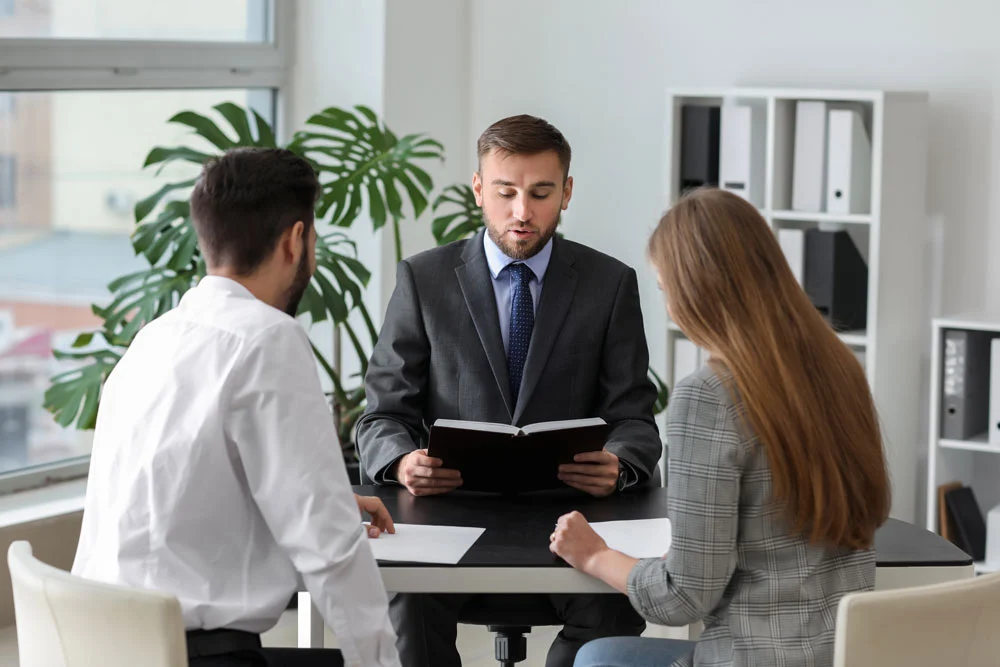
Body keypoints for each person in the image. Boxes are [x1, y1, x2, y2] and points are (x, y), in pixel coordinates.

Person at [73, 148, 402, 667]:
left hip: (102, 646)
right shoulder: (269, 338)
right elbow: (330, 549)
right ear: (296, 241)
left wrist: (326, 500)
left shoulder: (154, 338)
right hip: (196, 655)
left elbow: (174, 496)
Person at [356, 114, 662, 667]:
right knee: (404, 605)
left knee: (617, 607)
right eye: (506, 192)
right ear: (479, 190)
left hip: (571, 525)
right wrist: (402, 463)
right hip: (447, 522)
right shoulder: (423, 280)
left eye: (541, 193)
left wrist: (619, 462)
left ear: (566, 193)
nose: (523, 212)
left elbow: (635, 417)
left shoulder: (608, 284)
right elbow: (381, 415)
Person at [549, 187, 892, 667]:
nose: (670, 308)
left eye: (667, 289)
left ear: (697, 291)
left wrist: (595, 556)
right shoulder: (841, 368)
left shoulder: (709, 396)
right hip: (840, 656)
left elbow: (683, 599)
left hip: (752, 659)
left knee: (593, 659)